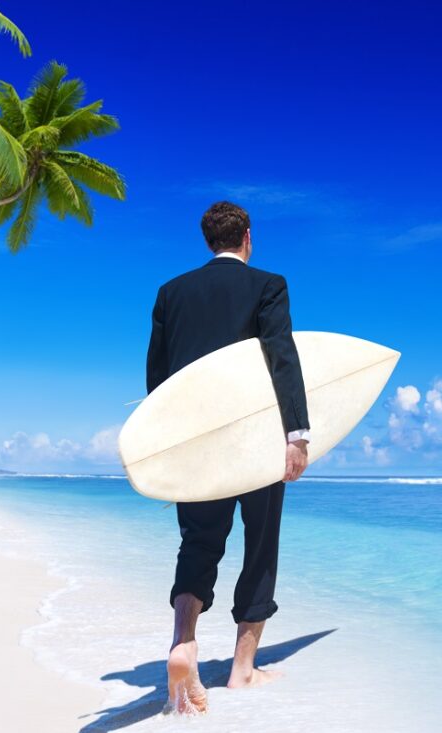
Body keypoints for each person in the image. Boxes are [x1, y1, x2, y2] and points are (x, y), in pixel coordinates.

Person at [145, 201, 311, 714]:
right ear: (247, 238)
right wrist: (297, 434)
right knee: (260, 545)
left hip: (197, 444)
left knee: (198, 543)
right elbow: (281, 355)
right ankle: (242, 670)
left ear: (208, 241)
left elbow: (158, 379)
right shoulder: (268, 285)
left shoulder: (171, 293)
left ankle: (183, 642)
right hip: (257, 440)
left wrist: (167, 447)